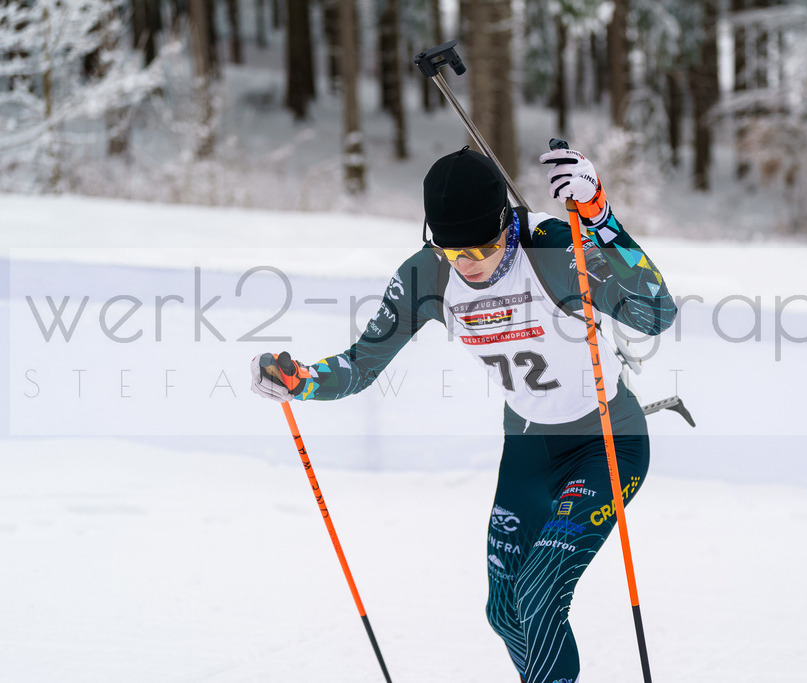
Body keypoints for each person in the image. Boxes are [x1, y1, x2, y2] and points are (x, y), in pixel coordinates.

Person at [251, 145, 676, 683]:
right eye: (457, 252)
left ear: (508, 224)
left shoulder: (553, 245)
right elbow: (361, 365)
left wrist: (597, 215)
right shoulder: (427, 274)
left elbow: (656, 311)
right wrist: (301, 381)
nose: (473, 264)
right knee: (504, 611)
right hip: (527, 446)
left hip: (605, 441)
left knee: (541, 593)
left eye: (488, 245)